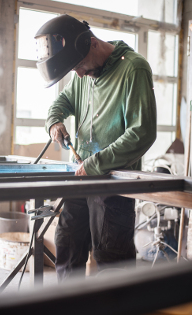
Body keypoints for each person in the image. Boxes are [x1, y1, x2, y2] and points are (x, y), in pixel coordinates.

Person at [35, 14, 157, 282]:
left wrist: (93, 165)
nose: (77, 74)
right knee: (67, 246)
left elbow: (142, 133)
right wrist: (54, 122)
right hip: (80, 178)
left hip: (112, 184)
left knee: (111, 261)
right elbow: (61, 103)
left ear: (91, 43)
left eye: (78, 66)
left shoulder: (133, 69)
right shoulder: (81, 76)